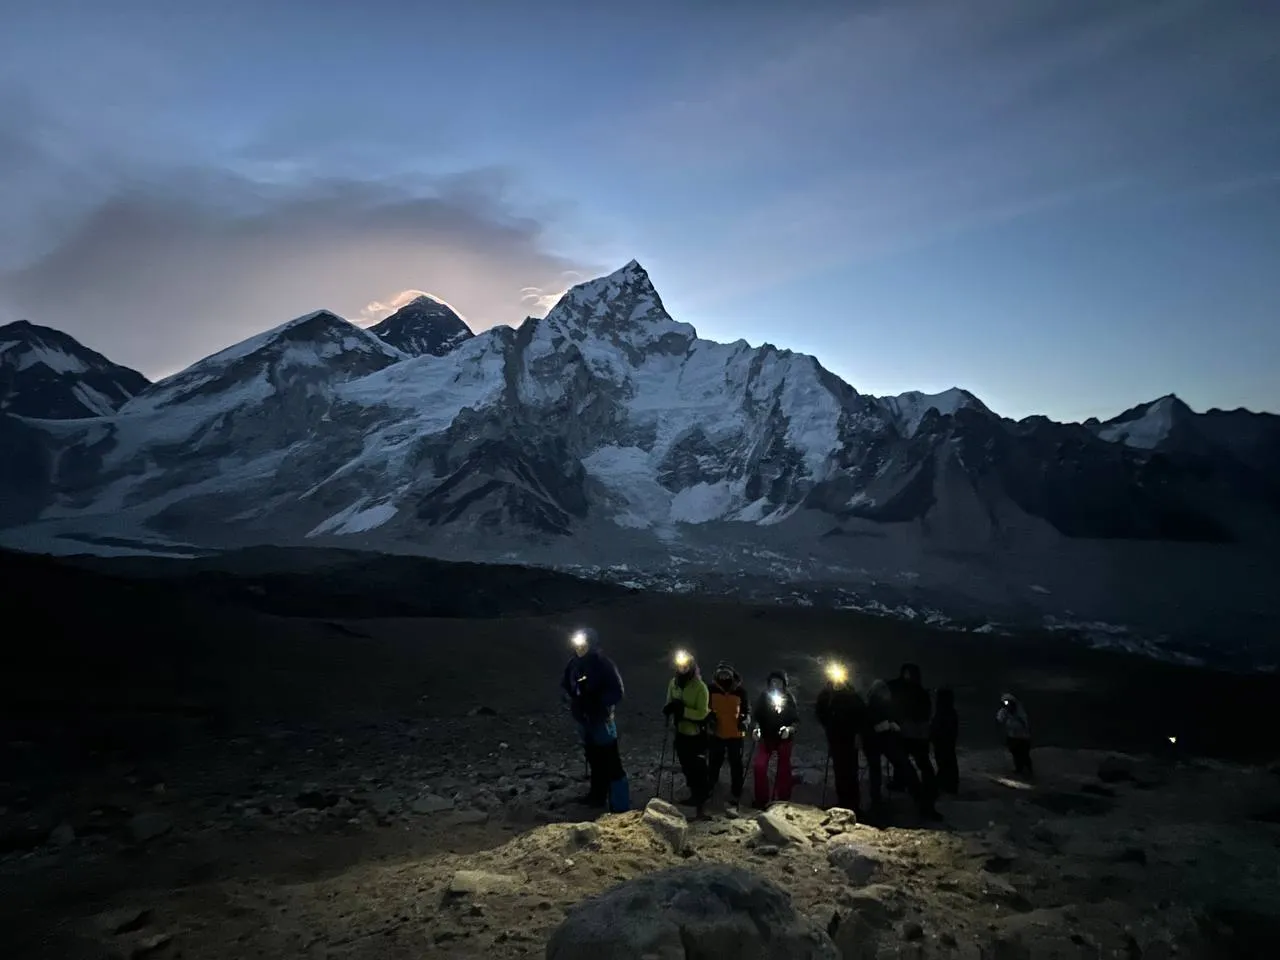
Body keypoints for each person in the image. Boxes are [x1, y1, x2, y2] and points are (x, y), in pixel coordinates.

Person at [559, 628, 629, 812]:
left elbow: (617, 691)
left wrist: (597, 702)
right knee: (594, 759)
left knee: (611, 761)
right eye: (577, 644)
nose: (580, 648)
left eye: (583, 644)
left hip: (601, 720)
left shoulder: (603, 664)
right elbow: (565, 686)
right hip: (584, 721)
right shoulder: (573, 664)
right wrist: (572, 699)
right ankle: (597, 797)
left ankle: (620, 805)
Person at [866, 678, 941, 820]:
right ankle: (920, 803)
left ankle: (878, 803)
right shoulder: (877, 704)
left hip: (881, 741)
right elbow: (871, 723)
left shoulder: (878, 703)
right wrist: (888, 725)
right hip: (879, 741)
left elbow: (877, 721)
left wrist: (892, 725)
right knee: (902, 769)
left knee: (883, 771)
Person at [663, 652, 712, 815]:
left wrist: (683, 711)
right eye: (680, 665)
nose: (682, 668)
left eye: (685, 665)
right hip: (681, 732)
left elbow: (702, 713)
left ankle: (702, 801)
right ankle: (694, 795)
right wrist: (669, 708)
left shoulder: (699, 687)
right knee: (686, 766)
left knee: (698, 768)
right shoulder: (673, 684)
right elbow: (669, 701)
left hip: (696, 734)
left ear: (691, 666)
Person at [815, 665, 868, 812]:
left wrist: (858, 733)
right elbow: (819, 711)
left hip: (850, 738)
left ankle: (854, 804)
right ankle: (843, 802)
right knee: (839, 771)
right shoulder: (827, 695)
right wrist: (828, 724)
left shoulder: (852, 695)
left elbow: (862, 715)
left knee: (851, 770)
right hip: (835, 738)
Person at [888, 663, 938, 802]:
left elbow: (919, 711)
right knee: (906, 760)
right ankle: (906, 783)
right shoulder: (915, 691)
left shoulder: (915, 691)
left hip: (913, 731)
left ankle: (926, 786)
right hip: (913, 731)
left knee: (917, 761)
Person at [707, 660, 750, 811]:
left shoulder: (740, 691)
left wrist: (744, 720)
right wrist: (710, 719)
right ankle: (710, 788)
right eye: (721, 673)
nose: (724, 677)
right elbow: (706, 709)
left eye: (727, 673)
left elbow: (746, 710)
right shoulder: (711, 689)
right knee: (714, 762)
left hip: (735, 734)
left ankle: (736, 792)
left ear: (732, 674)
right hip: (716, 733)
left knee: (736, 764)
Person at [752, 670, 800, 808]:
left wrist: (789, 730)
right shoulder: (764, 697)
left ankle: (783, 799)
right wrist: (756, 729)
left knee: (783, 768)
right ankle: (761, 800)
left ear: (784, 684)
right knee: (759, 766)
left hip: (784, 739)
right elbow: (757, 717)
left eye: (778, 682)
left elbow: (796, 721)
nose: (775, 685)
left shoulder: (789, 699)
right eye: (773, 682)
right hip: (767, 737)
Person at [996, 692, 1033, 777]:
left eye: (1008, 702)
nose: (1007, 705)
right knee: (1015, 753)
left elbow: (1025, 723)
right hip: (1012, 736)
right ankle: (1019, 769)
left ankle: (1029, 770)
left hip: (1023, 737)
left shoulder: (1020, 711)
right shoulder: (1004, 711)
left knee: (1024, 754)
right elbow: (999, 720)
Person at [932, 687, 960, 794]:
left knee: (945, 762)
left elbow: (939, 727)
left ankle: (947, 785)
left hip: (943, 742)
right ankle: (948, 784)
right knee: (947, 762)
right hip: (945, 742)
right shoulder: (949, 712)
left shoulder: (944, 713)